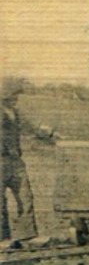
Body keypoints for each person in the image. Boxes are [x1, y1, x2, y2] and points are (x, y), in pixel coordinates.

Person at [1, 80, 53, 244]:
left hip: (16, 161)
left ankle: (28, 235)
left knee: (25, 196)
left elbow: (32, 127)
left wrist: (48, 133)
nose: (16, 98)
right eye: (13, 95)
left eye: (16, 95)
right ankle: (3, 238)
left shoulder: (15, 113)